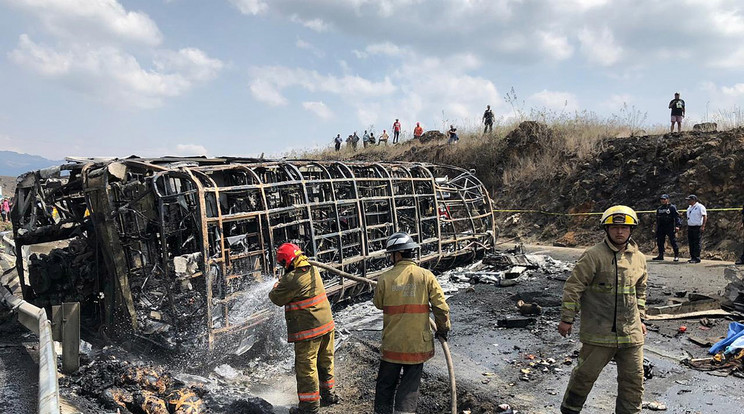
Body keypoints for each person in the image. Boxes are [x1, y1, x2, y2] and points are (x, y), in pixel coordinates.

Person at [558, 205, 648, 414]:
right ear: (606, 229)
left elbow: (640, 291)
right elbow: (574, 287)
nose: (619, 232)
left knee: (634, 380)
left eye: (624, 228)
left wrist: (641, 319)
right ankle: (570, 410)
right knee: (584, 376)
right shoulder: (593, 256)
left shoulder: (639, 258)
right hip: (599, 332)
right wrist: (567, 319)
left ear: (631, 230)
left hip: (631, 333)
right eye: (614, 227)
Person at [373, 232, 450, 414]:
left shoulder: (385, 278)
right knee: (409, 387)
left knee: (385, 385)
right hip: (416, 344)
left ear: (397, 254)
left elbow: (378, 304)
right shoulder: (426, 276)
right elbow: (441, 307)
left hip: (392, 344)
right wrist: (443, 329)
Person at [269, 243, 339, 414]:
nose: (282, 267)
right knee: (326, 361)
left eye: (282, 264)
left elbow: (275, 298)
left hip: (309, 331)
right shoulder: (313, 269)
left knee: (307, 369)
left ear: (287, 261)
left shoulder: (291, 279)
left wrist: (276, 286)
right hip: (327, 325)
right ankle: (328, 395)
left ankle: (309, 407)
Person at [652, 194, 681, 261]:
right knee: (660, 241)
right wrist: (656, 228)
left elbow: (676, 217)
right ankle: (661, 255)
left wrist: (677, 225)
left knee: (673, 241)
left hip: (670, 226)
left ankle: (676, 256)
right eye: (661, 199)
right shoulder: (659, 208)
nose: (663, 200)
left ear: (667, 200)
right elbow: (657, 219)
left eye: (664, 199)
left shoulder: (672, 207)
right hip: (661, 227)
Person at [685, 194, 707, 263]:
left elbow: (704, 216)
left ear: (694, 200)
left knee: (697, 242)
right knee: (691, 242)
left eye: (689, 200)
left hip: (697, 227)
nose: (688, 201)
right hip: (690, 226)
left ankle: (697, 257)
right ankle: (692, 257)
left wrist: (703, 226)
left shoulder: (700, 207)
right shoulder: (689, 208)